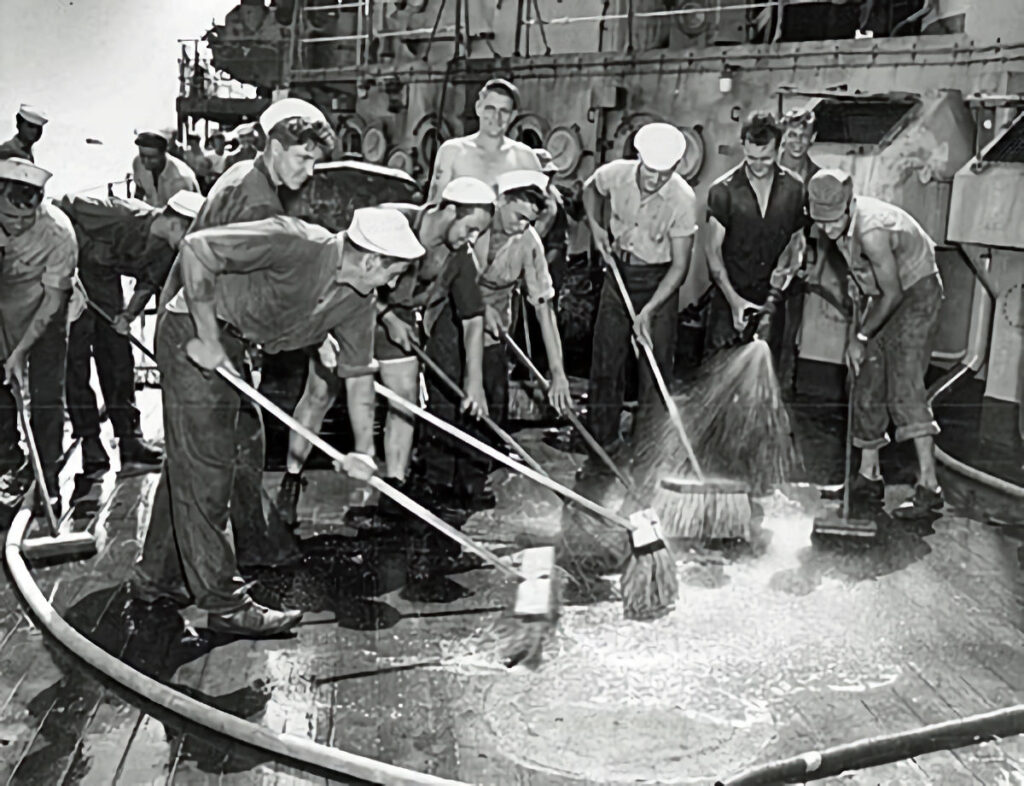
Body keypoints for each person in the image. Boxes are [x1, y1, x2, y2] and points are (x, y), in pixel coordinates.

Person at [130, 207, 423, 636]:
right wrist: (209, 337)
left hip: (235, 344)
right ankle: (225, 606)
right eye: (393, 272)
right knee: (209, 472)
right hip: (194, 331)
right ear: (371, 260)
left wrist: (363, 450)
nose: (394, 283)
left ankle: (156, 577)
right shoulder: (296, 241)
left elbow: (358, 373)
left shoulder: (359, 299)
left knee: (207, 459)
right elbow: (196, 248)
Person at [156, 96, 336, 570]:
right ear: (274, 147)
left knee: (232, 445)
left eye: (316, 160)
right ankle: (218, 593)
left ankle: (192, 562)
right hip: (200, 334)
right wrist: (315, 331)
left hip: (207, 327)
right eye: (303, 157)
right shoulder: (256, 199)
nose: (311, 170)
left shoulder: (246, 179)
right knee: (207, 467)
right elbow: (263, 291)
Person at [271, 177, 497, 531]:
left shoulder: (459, 257)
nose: (472, 239)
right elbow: (354, 268)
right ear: (449, 210)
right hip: (352, 306)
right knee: (319, 394)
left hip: (398, 318)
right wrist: (387, 316)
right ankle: (291, 479)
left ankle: (393, 488)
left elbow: (472, 319)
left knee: (404, 399)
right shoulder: (392, 222)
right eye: (470, 228)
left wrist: (474, 382)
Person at [415, 170, 572, 520]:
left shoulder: (529, 243)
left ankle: (473, 480)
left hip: (494, 333)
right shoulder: (473, 224)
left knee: (488, 403)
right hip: (448, 320)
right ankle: (436, 479)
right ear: (500, 200)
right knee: (445, 397)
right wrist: (480, 308)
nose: (522, 226)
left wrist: (558, 373)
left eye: (530, 221)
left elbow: (543, 307)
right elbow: (445, 276)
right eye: (518, 216)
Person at [808, 169, 945, 521]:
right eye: (819, 222)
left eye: (831, 221)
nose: (826, 229)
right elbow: (870, 285)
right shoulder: (835, 222)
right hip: (882, 295)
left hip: (916, 293)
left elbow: (895, 293)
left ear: (848, 206)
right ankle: (868, 479)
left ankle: (929, 488)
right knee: (864, 380)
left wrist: (862, 336)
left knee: (904, 386)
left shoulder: (871, 229)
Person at [57, 189, 206, 473]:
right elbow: (63, 207)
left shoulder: (166, 248)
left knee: (118, 359)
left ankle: (130, 439)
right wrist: (69, 263)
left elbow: (148, 284)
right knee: (75, 364)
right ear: (177, 224)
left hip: (105, 287)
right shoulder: (119, 213)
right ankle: (90, 442)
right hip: (73, 284)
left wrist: (127, 316)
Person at [581, 123, 699, 467]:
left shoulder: (682, 199)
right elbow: (590, 189)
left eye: (663, 175)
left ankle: (647, 452)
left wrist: (649, 310)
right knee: (606, 360)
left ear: (675, 168)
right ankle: (602, 446)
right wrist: (596, 227)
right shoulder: (616, 174)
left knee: (655, 368)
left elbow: (680, 267)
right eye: (649, 171)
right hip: (618, 276)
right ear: (638, 159)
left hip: (658, 281)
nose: (653, 180)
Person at [0, 159, 77, 515]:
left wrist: (20, 352)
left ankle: (47, 477)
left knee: (46, 396)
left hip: (43, 314)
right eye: (9, 217)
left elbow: (52, 301)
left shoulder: (59, 233)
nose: (16, 225)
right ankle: (8, 466)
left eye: (24, 219)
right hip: (3, 307)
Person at [704, 111, 808, 367]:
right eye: (751, 158)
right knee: (719, 374)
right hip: (729, 299)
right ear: (743, 147)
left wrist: (776, 292)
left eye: (766, 158)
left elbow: (796, 242)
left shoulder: (794, 189)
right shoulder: (723, 190)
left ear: (779, 148)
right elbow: (713, 251)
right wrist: (734, 300)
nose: (758, 165)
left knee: (764, 376)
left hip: (771, 301)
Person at [426, 78, 552, 262]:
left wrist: (523, 249)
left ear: (513, 115)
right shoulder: (452, 151)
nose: (496, 117)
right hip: (456, 260)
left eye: (504, 111)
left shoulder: (525, 158)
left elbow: (547, 209)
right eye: (490, 108)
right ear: (478, 107)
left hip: (503, 266)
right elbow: (434, 207)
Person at [777, 107, 822, 395]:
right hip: (752, 263)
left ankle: (779, 395)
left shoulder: (816, 179)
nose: (797, 141)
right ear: (783, 137)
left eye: (803, 136)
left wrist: (813, 265)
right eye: (792, 135)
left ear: (812, 138)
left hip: (794, 267)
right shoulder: (762, 168)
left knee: (786, 334)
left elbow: (822, 229)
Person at [131, 131, 201, 208]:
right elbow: (139, 192)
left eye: (151, 158)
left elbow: (188, 214)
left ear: (164, 154)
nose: (145, 161)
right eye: (142, 155)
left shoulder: (181, 179)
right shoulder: (138, 162)